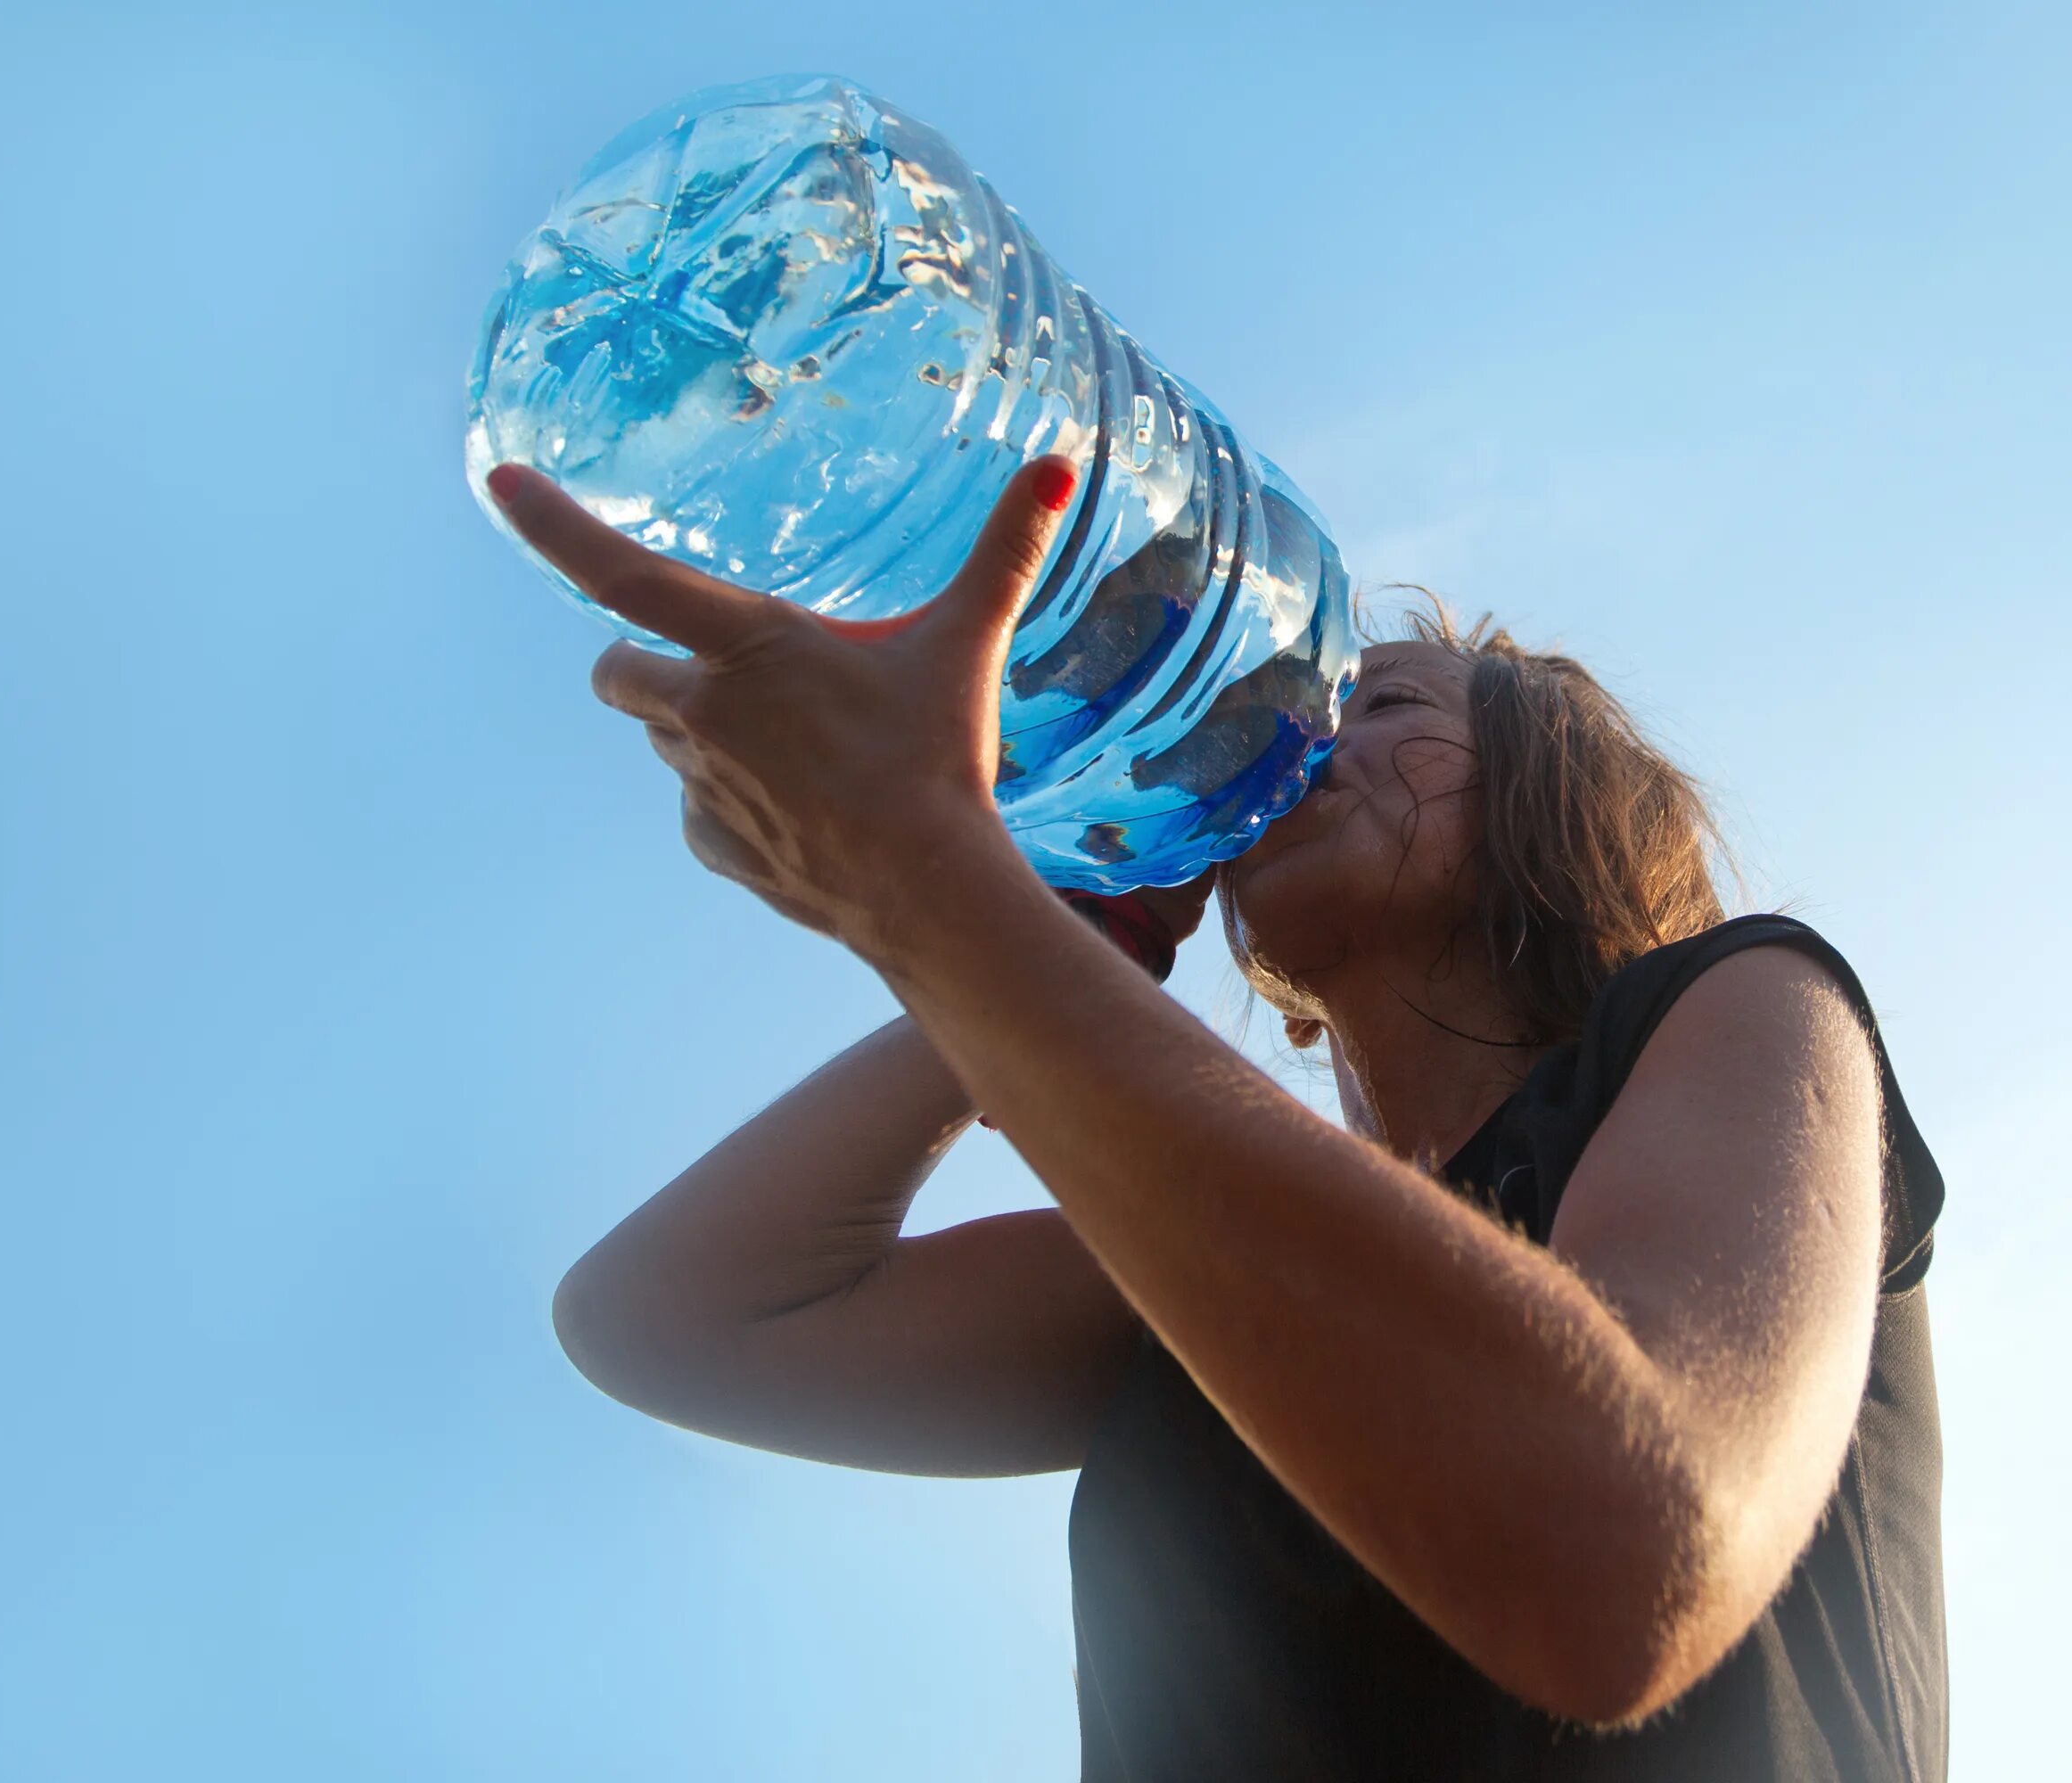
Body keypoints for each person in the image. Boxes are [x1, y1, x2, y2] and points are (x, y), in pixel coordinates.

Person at [504, 454, 1947, 1781]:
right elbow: (661, 1317)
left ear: (1552, 796)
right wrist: (1066, 936)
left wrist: (927, 877)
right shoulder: (1200, 1274)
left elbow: (1625, 1563)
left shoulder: (1745, 1000)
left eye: (1384, 706)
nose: (1306, 735)